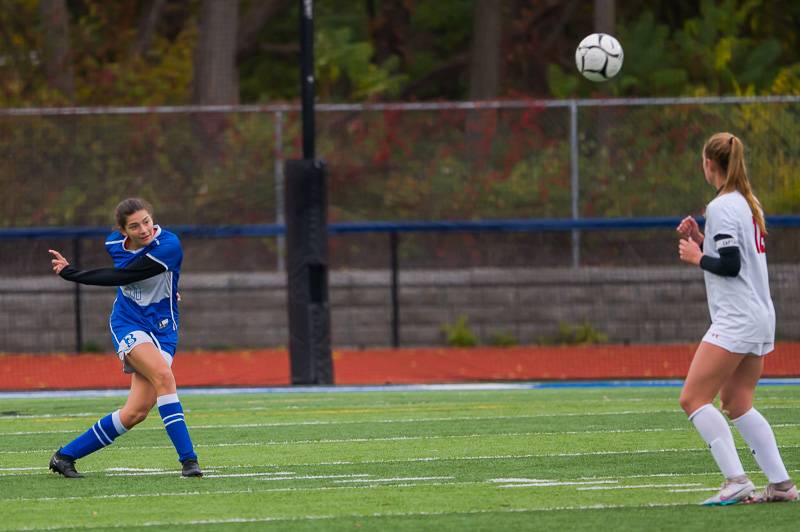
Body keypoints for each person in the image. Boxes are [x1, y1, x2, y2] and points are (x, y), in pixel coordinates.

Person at [676, 133, 794, 505]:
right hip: (759, 316)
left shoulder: (724, 205)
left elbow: (729, 265)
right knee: (738, 401)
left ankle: (736, 479)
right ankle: (781, 484)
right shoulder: (747, 202)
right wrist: (702, 237)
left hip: (738, 318)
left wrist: (697, 256)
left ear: (710, 164)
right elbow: (731, 251)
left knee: (693, 398)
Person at [47, 198, 201, 478]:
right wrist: (72, 273)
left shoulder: (169, 245)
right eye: (134, 226)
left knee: (135, 413)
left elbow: (129, 274)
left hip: (164, 330)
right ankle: (189, 461)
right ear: (122, 231)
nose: (144, 229)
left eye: (146, 221)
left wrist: (73, 273)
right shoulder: (114, 245)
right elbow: (122, 275)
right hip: (128, 323)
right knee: (164, 377)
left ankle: (65, 456)